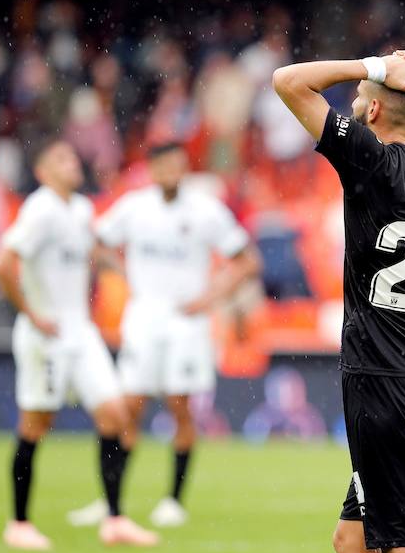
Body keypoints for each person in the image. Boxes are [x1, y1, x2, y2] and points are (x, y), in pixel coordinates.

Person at [273, 50, 405, 553]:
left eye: (362, 99)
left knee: (404, 545)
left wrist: (376, 67)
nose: (357, 102)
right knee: (353, 542)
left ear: (376, 113)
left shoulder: (370, 160)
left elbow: (288, 82)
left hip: (383, 384)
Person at [67, 142, 261, 528]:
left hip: (186, 323)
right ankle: (112, 502)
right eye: (161, 166)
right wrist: (121, 273)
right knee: (128, 408)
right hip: (144, 318)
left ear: (184, 168)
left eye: (175, 165)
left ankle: (173, 499)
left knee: (180, 408)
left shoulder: (205, 210)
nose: (169, 173)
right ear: (152, 170)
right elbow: (97, 243)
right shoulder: (135, 207)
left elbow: (247, 260)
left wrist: (210, 297)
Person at [0, 140, 158, 550]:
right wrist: (31, 313)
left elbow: (92, 252)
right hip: (45, 335)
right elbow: (2, 263)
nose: (72, 162)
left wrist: (124, 270)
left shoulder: (80, 209)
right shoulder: (40, 209)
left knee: (115, 415)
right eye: (61, 159)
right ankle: (19, 523)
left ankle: (114, 519)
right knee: (36, 426)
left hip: (81, 332)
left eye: (72, 155)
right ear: (44, 172)